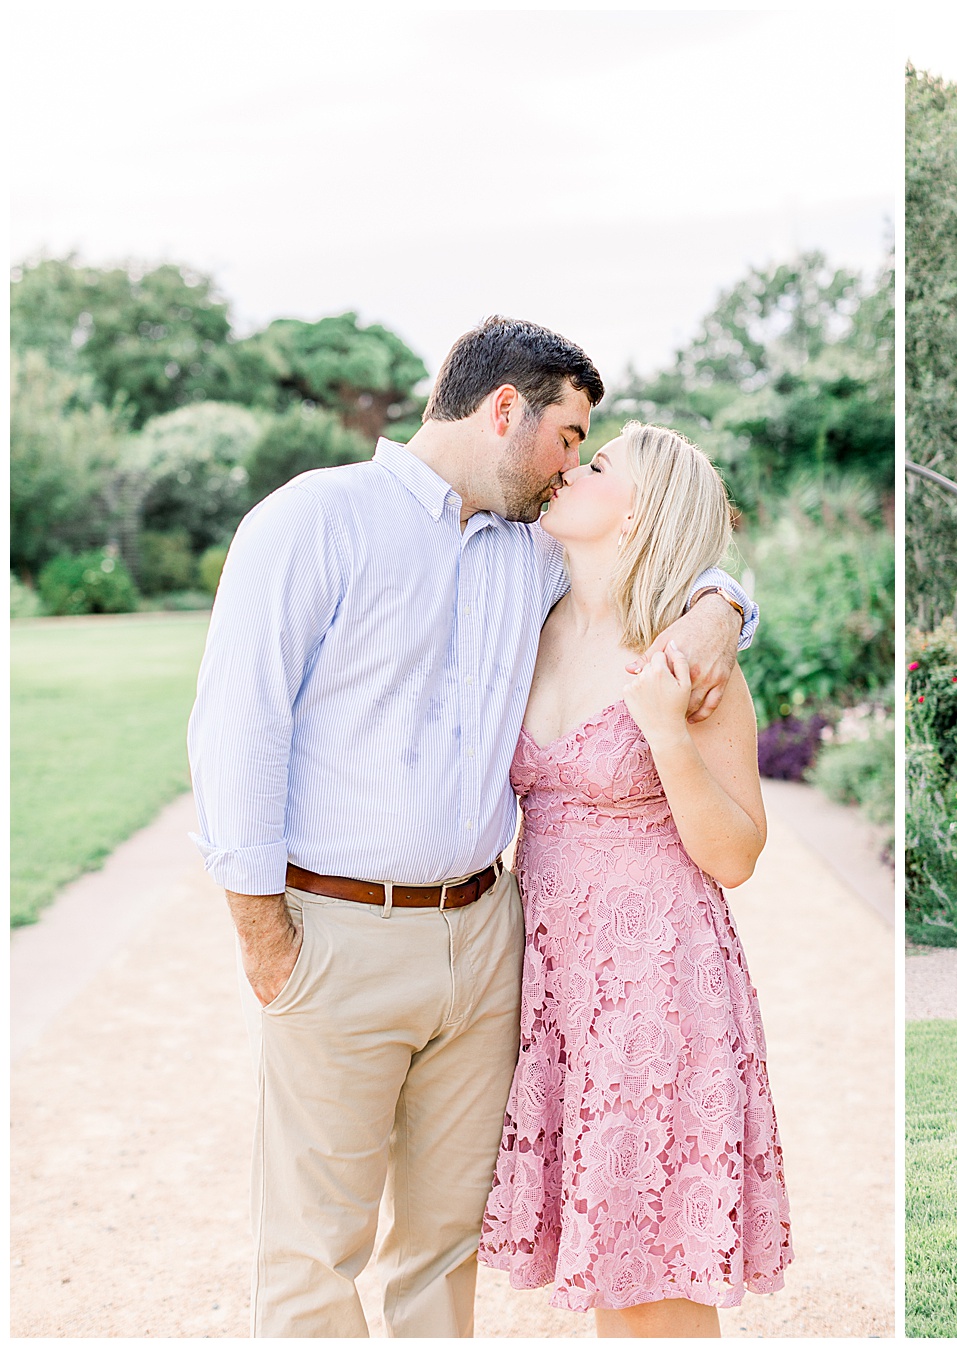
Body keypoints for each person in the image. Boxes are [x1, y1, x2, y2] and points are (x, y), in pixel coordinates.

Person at [187, 317, 756, 1338]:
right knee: (314, 1254)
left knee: (445, 1249)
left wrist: (722, 606)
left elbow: (659, 565)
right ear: (506, 411)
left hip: (492, 942)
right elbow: (238, 724)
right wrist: (264, 938)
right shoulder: (316, 518)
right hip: (337, 936)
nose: (570, 463)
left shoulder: (526, 549)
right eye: (571, 436)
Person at [477, 422, 791, 1335]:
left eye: (598, 463)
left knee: (652, 1275)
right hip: (550, 982)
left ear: (643, 510)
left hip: (658, 985)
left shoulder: (688, 660)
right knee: (603, 1262)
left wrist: (662, 731)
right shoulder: (528, 619)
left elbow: (737, 853)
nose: (572, 467)